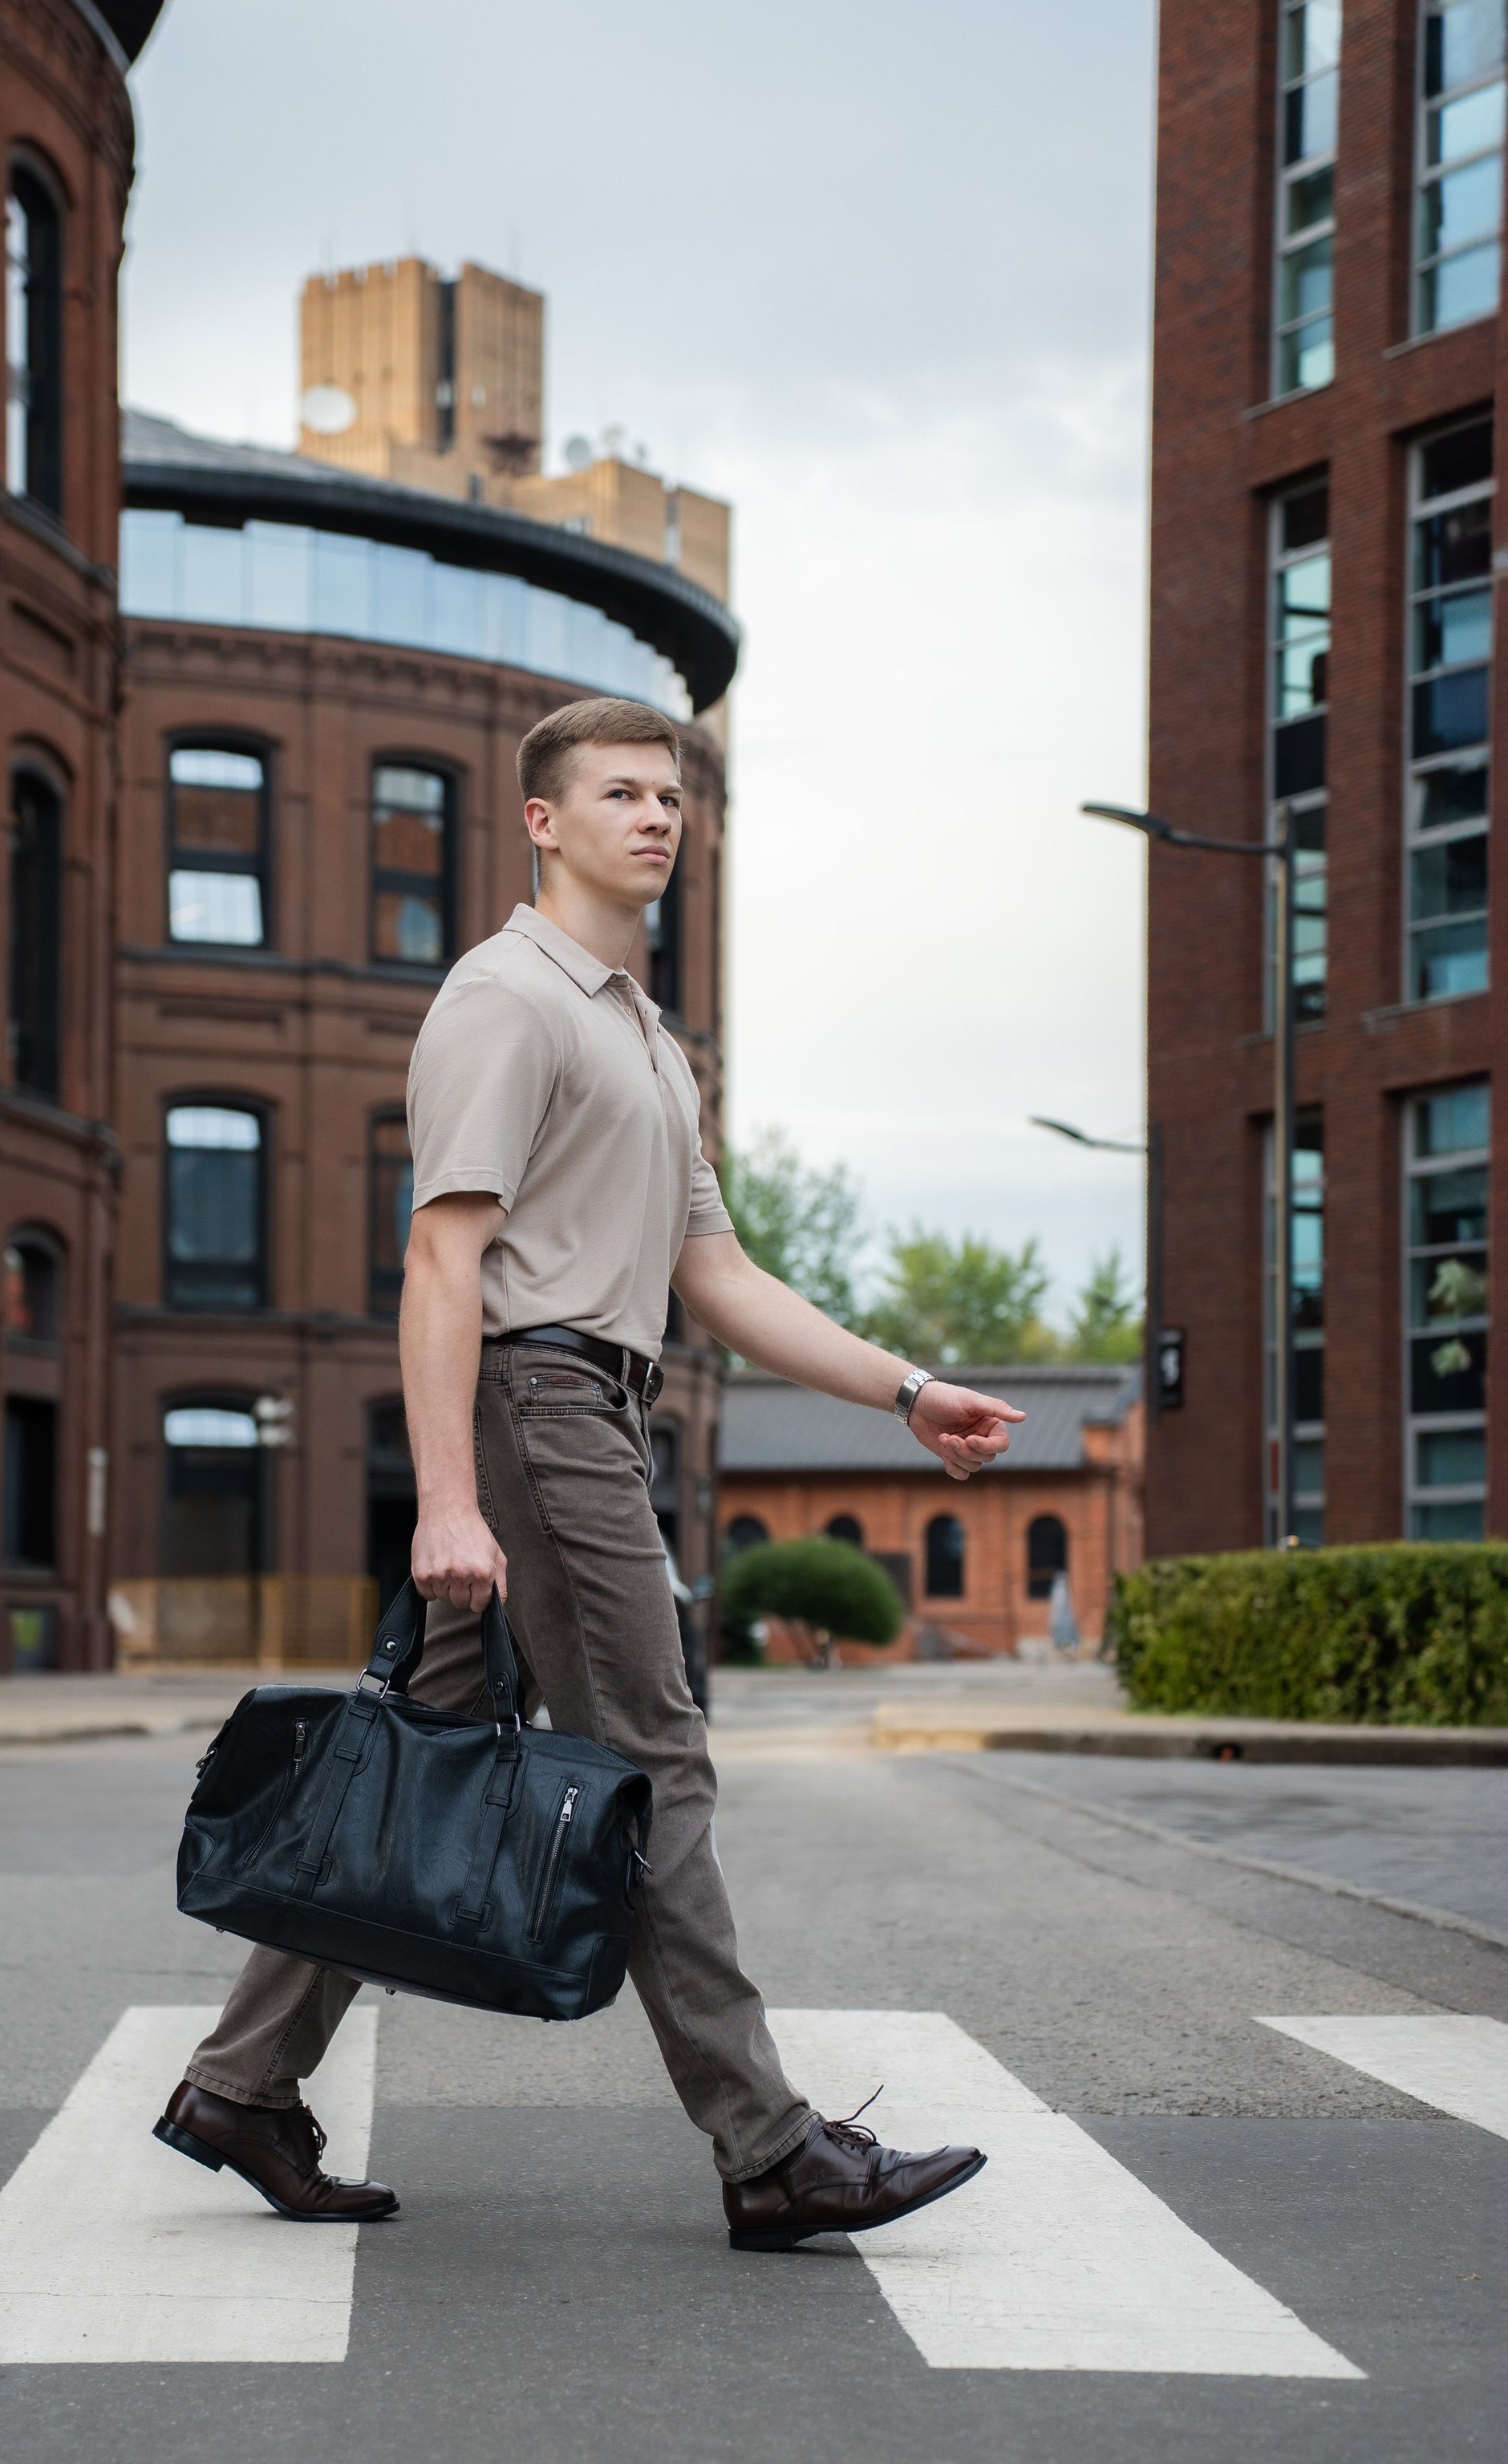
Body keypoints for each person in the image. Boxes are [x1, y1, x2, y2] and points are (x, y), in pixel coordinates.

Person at [155, 696, 1025, 2251]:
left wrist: (902, 1389)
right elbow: (441, 1258)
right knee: (652, 1756)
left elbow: (718, 1273)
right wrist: (445, 1498)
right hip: (539, 1400)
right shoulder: (506, 999)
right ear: (542, 822)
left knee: (411, 1759)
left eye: (670, 795)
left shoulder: (646, 1040)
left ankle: (240, 2084)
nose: (657, 817)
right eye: (620, 793)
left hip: (591, 1404)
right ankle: (768, 2148)